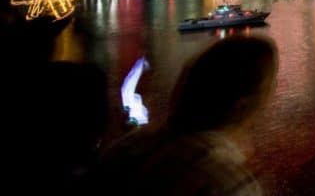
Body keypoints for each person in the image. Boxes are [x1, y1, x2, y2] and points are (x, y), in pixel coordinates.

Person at [98, 36, 278, 195]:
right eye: (271, 84)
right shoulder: (227, 183)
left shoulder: (126, 148)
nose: (274, 90)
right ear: (242, 105)